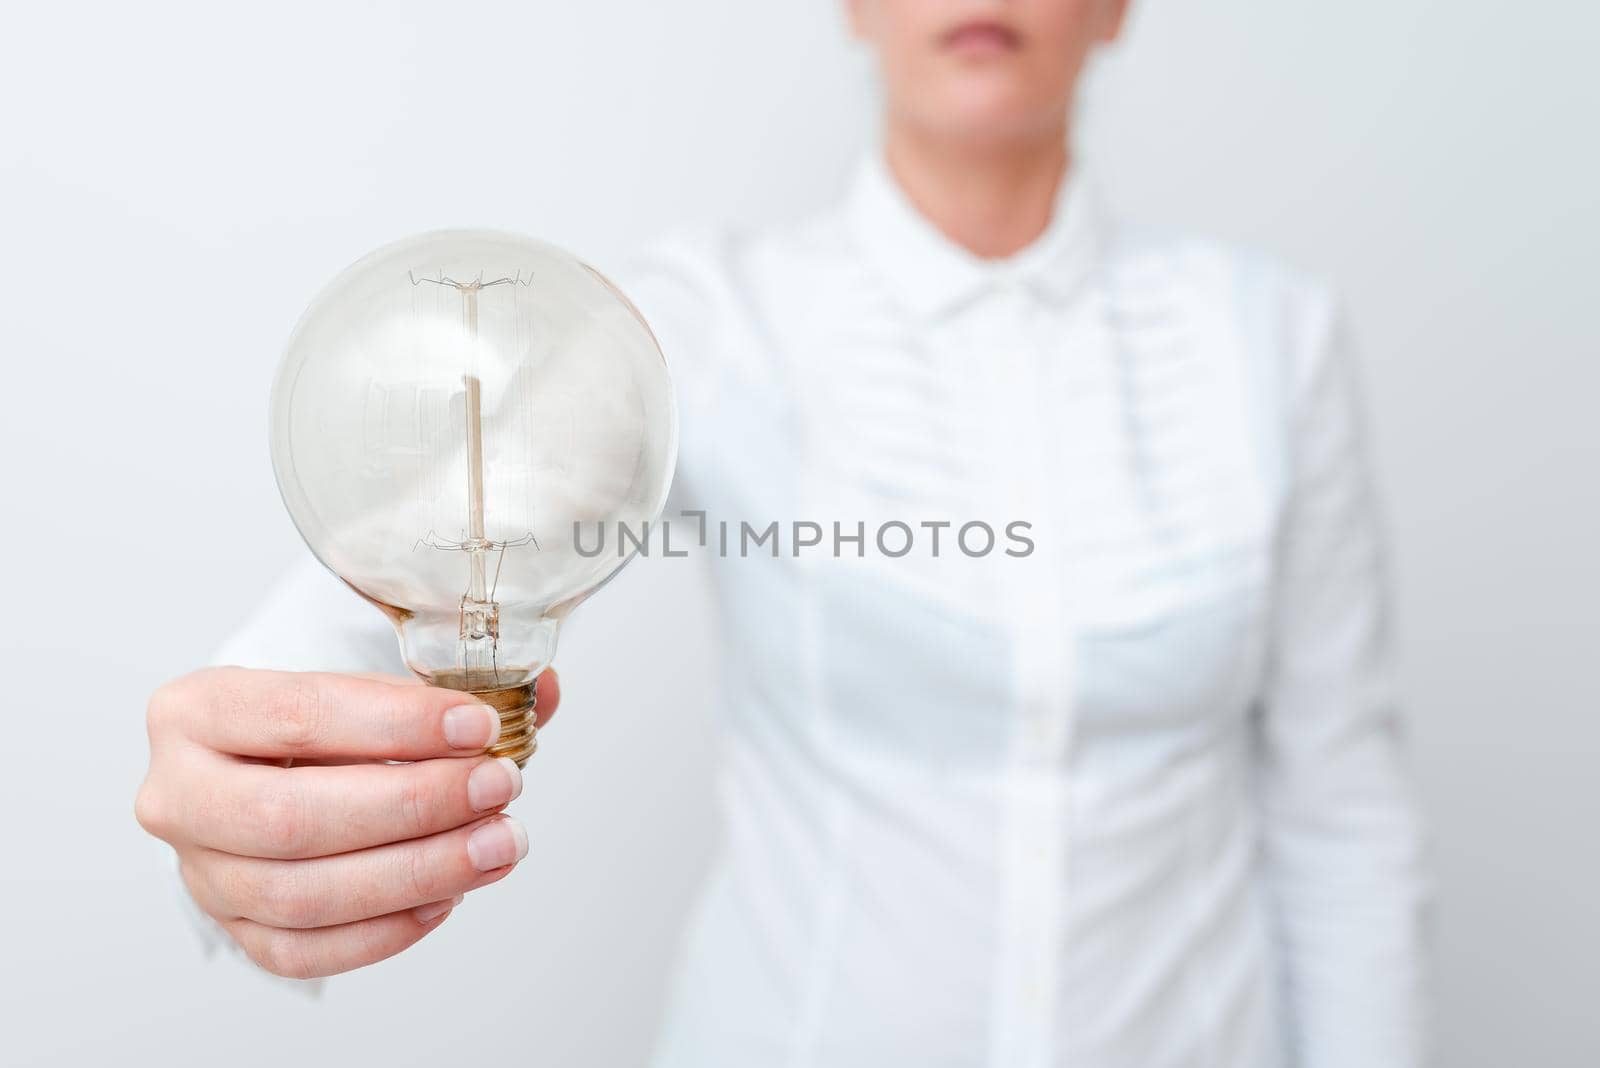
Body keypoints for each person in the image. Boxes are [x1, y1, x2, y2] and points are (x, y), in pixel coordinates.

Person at [136, 2, 1427, 1064]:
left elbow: (1341, 813)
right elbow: (356, 618)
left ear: (1119, 10)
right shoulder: (698, 328)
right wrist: (246, 808)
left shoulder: (1270, 341)